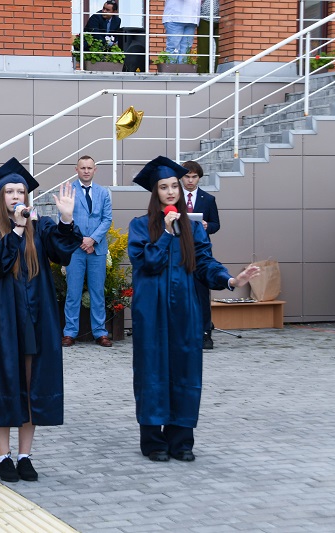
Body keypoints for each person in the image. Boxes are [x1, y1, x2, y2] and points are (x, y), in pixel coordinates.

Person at [128, 156, 259, 463]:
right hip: (152, 310)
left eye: (174, 186)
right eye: (164, 187)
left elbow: (205, 263)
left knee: (185, 368)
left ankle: (181, 439)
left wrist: (230, 280)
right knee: (152, 370)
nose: (171, 191)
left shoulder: (194, 227)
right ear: (155, 192)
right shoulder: (140, 226)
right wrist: (167, 234)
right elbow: (148, 263)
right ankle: (153, 440)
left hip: (185, 308)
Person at [0, 158, 82, 483]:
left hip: (35, 319)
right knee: (4, 383)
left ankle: (24, 455)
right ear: (0, 197)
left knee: (31, 385)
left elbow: (62, 251)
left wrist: (66, 219)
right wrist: (17, 229)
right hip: (2, 321)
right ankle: (3, 456)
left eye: (21, 191)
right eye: (10, 191)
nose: (16, 196)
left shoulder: (42, 227)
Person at [62, 155, 114, 348]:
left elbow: (107, 219)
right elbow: (65, 218)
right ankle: (70, 332)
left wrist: (92, 239)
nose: (86, 171)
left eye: (89, 168)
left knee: (97, 292)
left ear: (95, 170)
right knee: (73, 293)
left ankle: (100, 332)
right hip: (75, 250)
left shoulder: (103, 193)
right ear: (76, 170)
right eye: (82, 168)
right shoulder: (69, 191)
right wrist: (82, 240)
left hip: (96, 250)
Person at [181, 160, 220, 349]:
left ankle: (205, 333)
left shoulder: (208, 199)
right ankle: (183, 332)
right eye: (187, 176)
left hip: (201, 252)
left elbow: (216, 224)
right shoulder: (173, 197)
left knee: (202, 292)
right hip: (179, 250)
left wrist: (206, 226)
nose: (190, 180)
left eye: (194, 177)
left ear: (199, 178)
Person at [196, 0, 220, 73]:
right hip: (204, 18)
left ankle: (216, 70)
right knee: (204, 46)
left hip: (219, 19)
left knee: (220, 47)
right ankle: (202, 71)